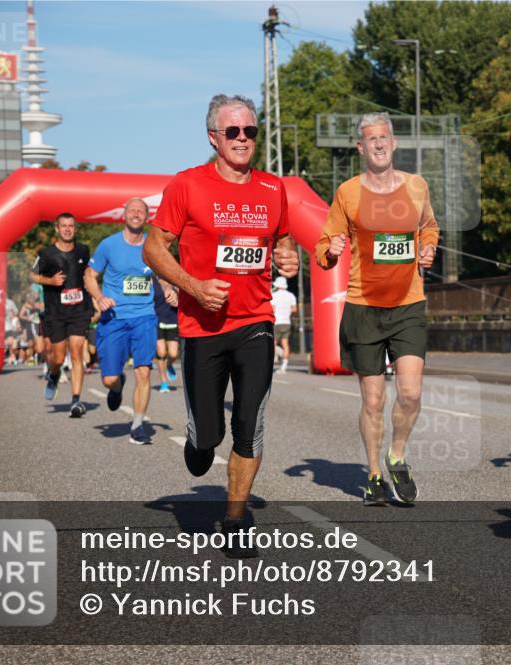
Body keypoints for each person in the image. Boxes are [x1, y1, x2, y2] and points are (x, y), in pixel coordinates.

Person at [144, 93, 299, 558]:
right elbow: (153, 250)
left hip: (255, 321)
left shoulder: (274, 189)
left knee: (250, 425)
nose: (243, 139)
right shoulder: (187, 186)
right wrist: (191, 285)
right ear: (213, 137)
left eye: (250, 131)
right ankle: (198, 439)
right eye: (233, 131)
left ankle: (235, 519)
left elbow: (284, 240)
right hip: (203, 326)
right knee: (208, 441)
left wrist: (288, 254)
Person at [315, 112, 440, 507]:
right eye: (371, 139)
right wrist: (329, 252)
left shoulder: (417, 186)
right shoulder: (347, 192)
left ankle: (397, 455)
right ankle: (372, 475)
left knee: (410, 393)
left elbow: (430, 226)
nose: (380, 143)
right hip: (363, 307)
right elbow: (322, 245)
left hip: (408, 305)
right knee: (372, 401)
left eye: (384, 137)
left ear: (394, 142)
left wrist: (428, 246)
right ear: (361, 147)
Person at [85, 198, 159, 445]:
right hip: (114, 318)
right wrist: (100, 296)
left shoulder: (153, 245)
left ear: (146, 217)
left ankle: (138, 426)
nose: (136, 213)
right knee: (109, 379)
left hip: (144, 316)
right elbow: (90, 276)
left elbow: (165, 272)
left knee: (144, 372)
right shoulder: (108, 245)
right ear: (124, 215)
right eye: (132, 210)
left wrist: (170, 289)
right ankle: (117, 387)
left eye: (141, 211)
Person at [30, 213, 94, 416]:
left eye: (71, 226)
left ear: (75, 229)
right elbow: (30, 274)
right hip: (56, 312)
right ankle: (54, 374)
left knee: (76, 351)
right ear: (57, 229)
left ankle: (76, 400)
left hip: (79, 311)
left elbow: (88, 275)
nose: (67, 229)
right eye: (63, 226)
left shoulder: (83, 250)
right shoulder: (47, 254)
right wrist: (50, 281)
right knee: (57, 357)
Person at [153, 274, 180, 392]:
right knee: (161, 352)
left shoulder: (174, 280)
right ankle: (164, 382)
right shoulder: (152, 281)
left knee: (173, 354)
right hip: (157, 321)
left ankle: (168, 365)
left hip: (173, 321)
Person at [270, 276, 297, 373]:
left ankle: (271, 363)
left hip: (277, 322)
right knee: (285, 344)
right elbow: (294, 309)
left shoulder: (274, 295)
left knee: (273, 343)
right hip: (287, 322)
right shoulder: (291, 296)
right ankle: (284, 366)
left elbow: (272, 309)